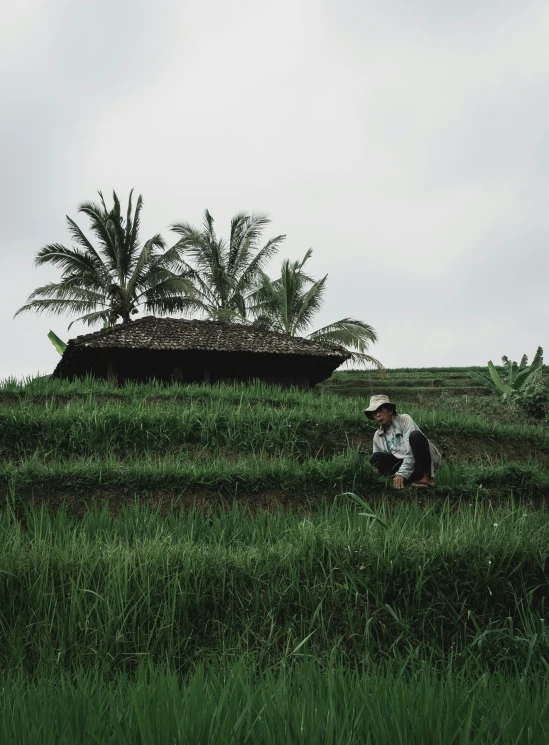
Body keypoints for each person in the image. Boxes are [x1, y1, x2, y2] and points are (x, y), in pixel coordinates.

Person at [364, 394, 441, 489]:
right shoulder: (378, 435)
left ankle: (427, 478)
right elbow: (379, 457)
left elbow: (410, 451)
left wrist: (402, 473)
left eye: (380, 410)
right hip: (400, 464)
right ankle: (405, 479)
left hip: (417, 462)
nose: (378, 415)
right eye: (374, 413)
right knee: (374, 457)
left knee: (416, 436)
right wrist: (378, 471)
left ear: (390, 411)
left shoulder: (404, 420)